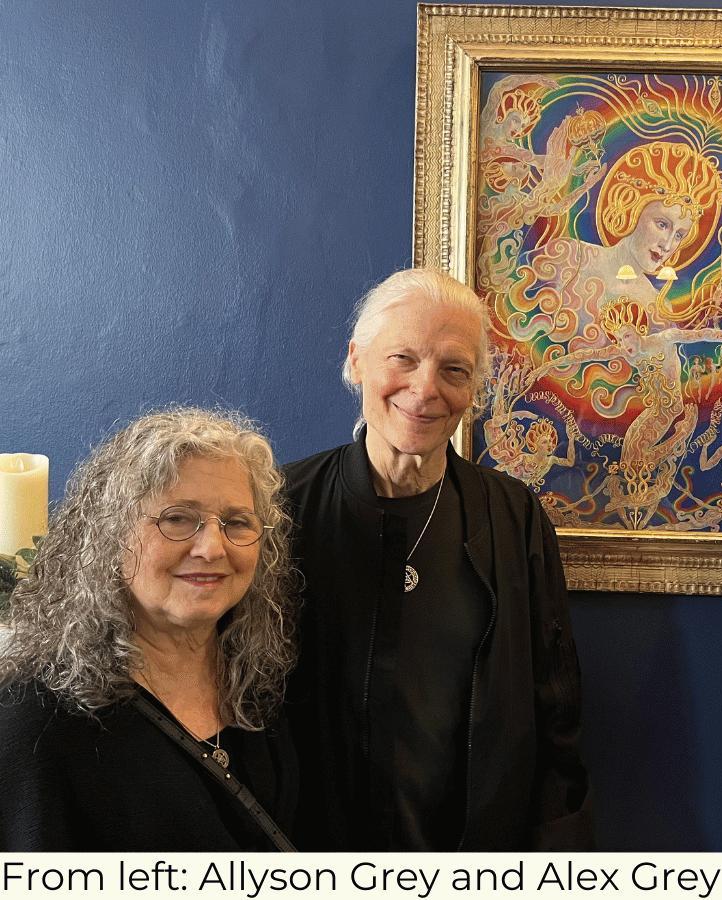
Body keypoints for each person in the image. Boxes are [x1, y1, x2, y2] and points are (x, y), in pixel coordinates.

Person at [283, 267, 591, 850]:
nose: (425, 390)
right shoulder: (279, 507)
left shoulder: (514, 517)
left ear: (474, 389)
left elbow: (558, 712)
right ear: (357, 362)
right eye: (402, 358)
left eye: (454, 369)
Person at [0, 408, 298, 850]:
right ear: (110, 534)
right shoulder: (38, 715)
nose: (213, 547)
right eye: (177, 518)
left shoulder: (260, 679)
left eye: (237, 522)